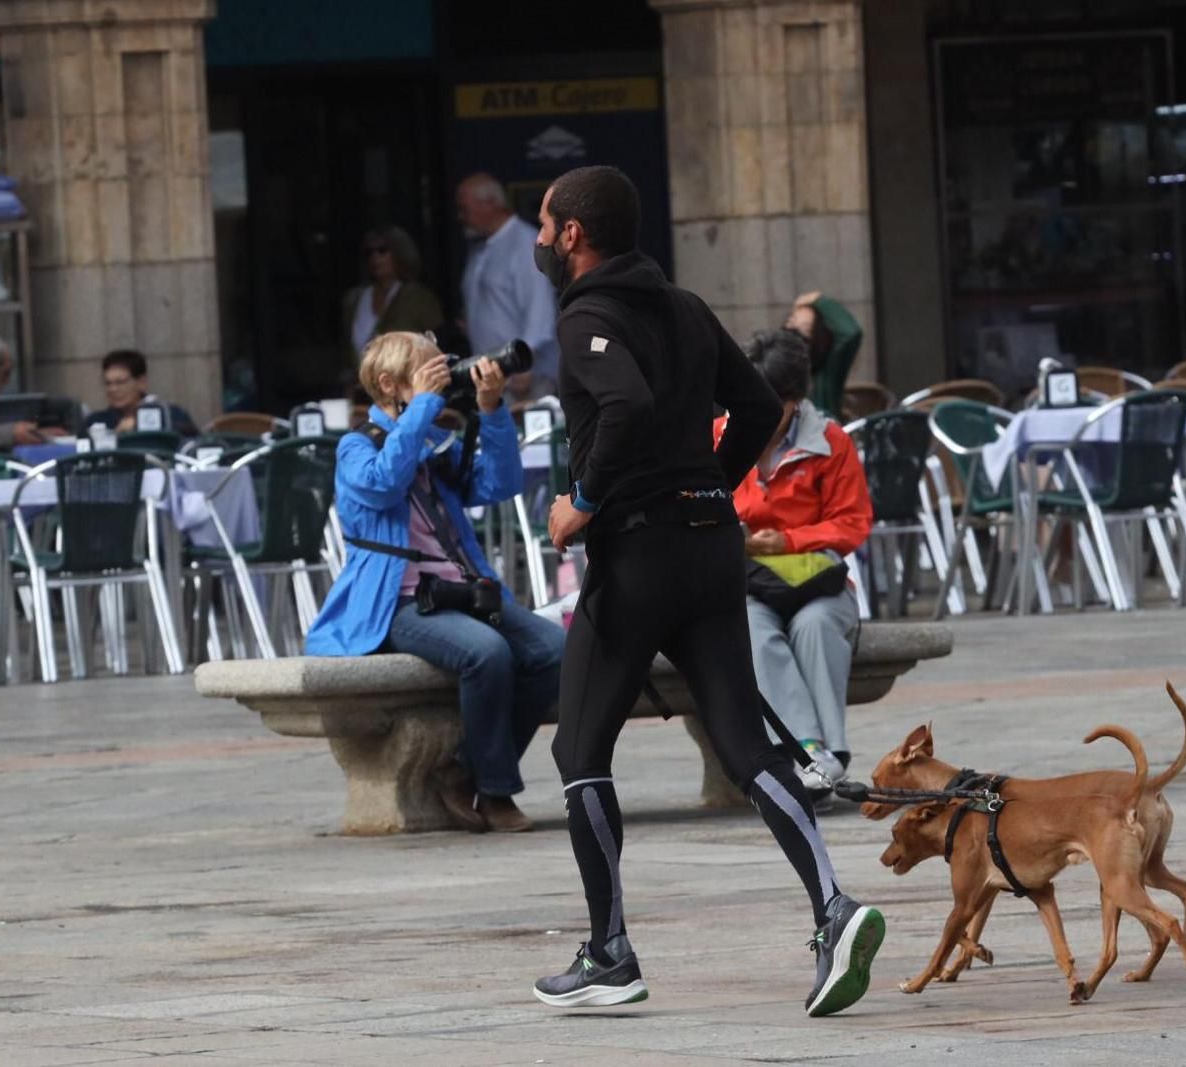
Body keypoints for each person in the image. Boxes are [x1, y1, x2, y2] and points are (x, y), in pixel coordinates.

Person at [531, 165, 884, 1017]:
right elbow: (760, 404)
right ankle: (834, 910)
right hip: (711, 548)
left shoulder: (586, 315)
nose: (539, 239)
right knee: (746, 745)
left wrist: (583, 501)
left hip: (641, 554)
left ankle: (610, 951)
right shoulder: (684, 305)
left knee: (579, 754)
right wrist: (711, 488)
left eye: (544, 225)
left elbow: (623, 404)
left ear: (574, 234)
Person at [305, 331, 565, 834]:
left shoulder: (431, 443)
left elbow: (500, 484)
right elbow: (383, 484)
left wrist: (490, 410)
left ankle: (462, 769)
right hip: (396, 601)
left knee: (553, 647)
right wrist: (423, 407)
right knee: (487, 653)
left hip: (462, 589)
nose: (442, 383)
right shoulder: (356, 448)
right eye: (428, 374)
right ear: (389, 384)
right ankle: (495, 792)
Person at [721, 328, 872, 798]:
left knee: (815, 626)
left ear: (797, 399)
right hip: (748, 585)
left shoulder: (830, 442)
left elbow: (853, 523)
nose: (764, 415)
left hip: (819, 585)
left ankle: (824, 759)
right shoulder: (718, 437)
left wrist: (786, 541)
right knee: (750, 628)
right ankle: (811, 752)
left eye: (775, 405)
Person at [456, 173, 560, 402]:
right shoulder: (480, 247)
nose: (460, 216)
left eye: (464, 208)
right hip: (491, 376)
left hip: (524, 377)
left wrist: (525, 364)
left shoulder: (525, 244)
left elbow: (540, 310)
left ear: (490, 203)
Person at [341, 225, 444, 362]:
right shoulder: (353, 300)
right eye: (369, 252)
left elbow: (438, 343)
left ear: (399, 252)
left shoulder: (419, 298)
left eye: (382, 250)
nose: (375, 257)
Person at [84, 349, 197, 437]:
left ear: (141, 382)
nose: (113, 389)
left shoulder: (172, 415)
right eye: (108, 383)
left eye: (120, 382)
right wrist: (115, 436)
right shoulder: (95, 422)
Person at [785, 292, 862, 419]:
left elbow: (850, 333)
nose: (794, 332)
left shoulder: (825, 371)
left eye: (805, 328)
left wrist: (817, 299)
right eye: (791, 322)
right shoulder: (775, 365)